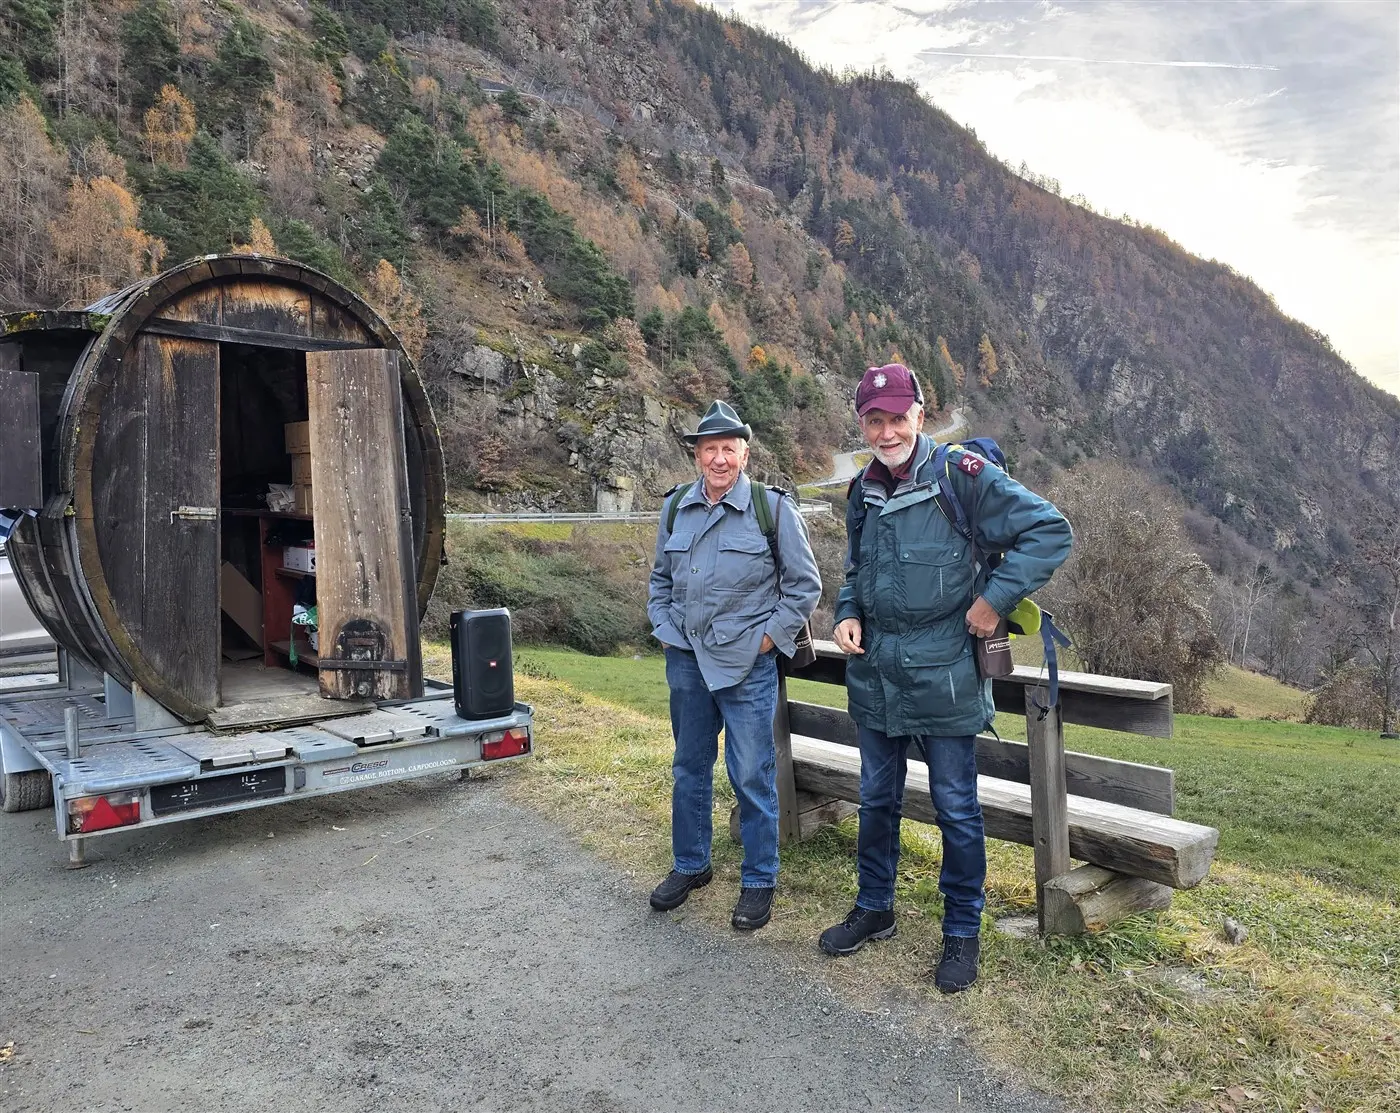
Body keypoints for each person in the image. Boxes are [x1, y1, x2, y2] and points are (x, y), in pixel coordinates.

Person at [819, 364, 1072, 992]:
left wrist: (994, 600)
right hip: (876, 675)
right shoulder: (862, 491)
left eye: (896, 418)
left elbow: (1050, 531)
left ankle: (962, 932)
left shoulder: (962, 478)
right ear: (862, 425)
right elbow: (856, 570)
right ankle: (874, 908)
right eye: (873, 421)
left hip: (947, 674)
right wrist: (847, 613)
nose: (886, 432)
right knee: (876, 799)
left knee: (956, 809)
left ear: (920, 415)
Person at [646, 400, 822, 931]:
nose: (719, 459)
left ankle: (759, 879)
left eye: (729, 449)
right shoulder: (675, 508)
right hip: (687, 663)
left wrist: (767, 641)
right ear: (697, 455)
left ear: (745, 454)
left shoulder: (773, 509)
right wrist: (665, 629)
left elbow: (804, 587)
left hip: (747, 667)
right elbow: (660, 581)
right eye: (710, 449)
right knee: (688, 768)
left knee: (751, 774)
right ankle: (690, 865)